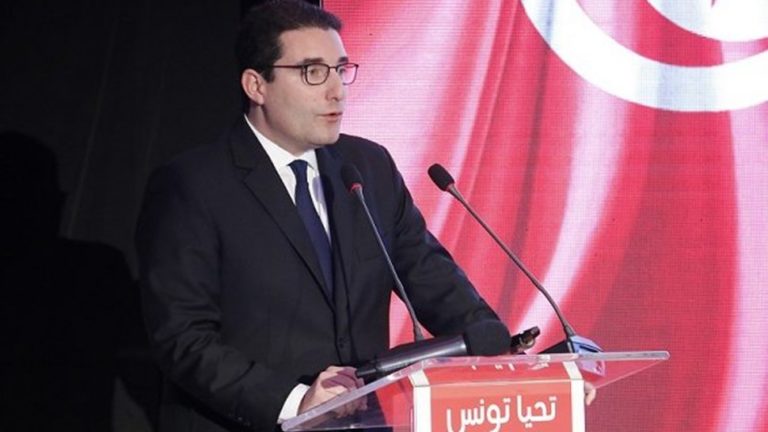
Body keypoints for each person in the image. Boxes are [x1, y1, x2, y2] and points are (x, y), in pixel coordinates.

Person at [135, 1, 501, 431]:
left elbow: (431, 279)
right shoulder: (194, 184)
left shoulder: (368, 168)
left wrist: (501, 352)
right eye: (313, 72)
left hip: (364, 423)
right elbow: (181, 336)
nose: (336, 91)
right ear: (256, 85)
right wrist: (296, 402)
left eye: (340, 70)